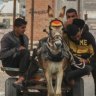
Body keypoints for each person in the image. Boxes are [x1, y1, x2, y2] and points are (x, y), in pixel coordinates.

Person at [65, 18, 96, 95]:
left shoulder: (88, 36)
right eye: (74, 38)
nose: (77, 39)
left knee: (88, 68)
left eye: (78, 36)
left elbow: (94, 53)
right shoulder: (66, 36)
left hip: (87, 62)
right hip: (73, 62)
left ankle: (67, 76)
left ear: (79, 30)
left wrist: (87, 60)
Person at [0, 18, 30, 85]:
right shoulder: (7, 38)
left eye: (25, 27)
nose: (24, 29)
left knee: (36, 63)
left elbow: (25, 55)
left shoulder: (25, 38)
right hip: (10, 62)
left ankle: (26, 80)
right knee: (25, 52)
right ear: (15, 27)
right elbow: (2, 55)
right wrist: (16, 49)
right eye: (22, 28)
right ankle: (21, 77)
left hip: (21, 62)